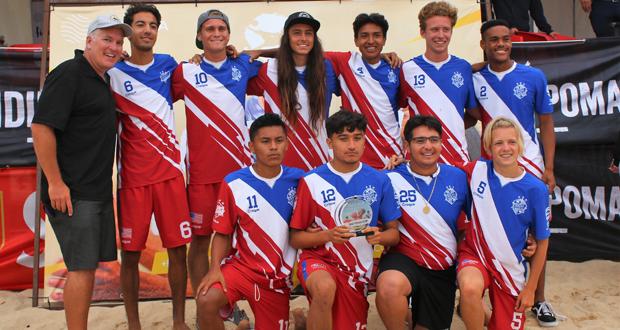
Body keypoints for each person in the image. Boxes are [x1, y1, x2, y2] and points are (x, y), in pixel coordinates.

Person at [31, 14, 131, 329]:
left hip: (96, 190)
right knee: (81, 268)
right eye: (106, 39)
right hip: (74, 192)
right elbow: (41, 127)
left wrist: (117, 56)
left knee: (87, 267)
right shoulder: (70, 74)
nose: (114, 47)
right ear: (88, 41)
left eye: (119, 42)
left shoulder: (101, 75)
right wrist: (56, 183)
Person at [108, 4, 190, 329]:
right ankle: (133, 325)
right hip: (133, 180)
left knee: (177, 252)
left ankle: (179, 321)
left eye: (152, 25)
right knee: (129, 256)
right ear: (128, 31)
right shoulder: (112, 72)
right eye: (140, 24)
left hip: (170, 175)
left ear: (157, 31)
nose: (146, 30)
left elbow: (203, 82)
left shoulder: (169, 66)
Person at [471, 18, 558, 327]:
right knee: (490, 232)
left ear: (512, 41)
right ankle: (476, 297)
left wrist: (548, 167)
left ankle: (540, 298)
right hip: (490, 168)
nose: (500, 44)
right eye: (493, 39)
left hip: (529, 164)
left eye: (505, 39)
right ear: (483, 44)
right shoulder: (475, 78)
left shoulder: (533, 76)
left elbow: (546, 124)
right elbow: (469, 116)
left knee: (536, 234)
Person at [171, 9, 263, 294]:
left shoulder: (243, 65)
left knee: (240, 238)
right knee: (200, 240)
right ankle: (204, 304)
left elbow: (286, 56)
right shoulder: (186, 71)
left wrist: (254, 50)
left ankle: (233, 298)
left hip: (237, 172)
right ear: (199, 36)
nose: (216, 33)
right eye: (209, 29)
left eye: (221, 28)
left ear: (228, 35)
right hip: (201, 174)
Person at [289, 110, 402, 330]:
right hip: (319, 260)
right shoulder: (312, 181)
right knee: (324, 289)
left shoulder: (380, 180)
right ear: (330, 142)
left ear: (364, 141)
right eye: (343, 138)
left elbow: (394, 234)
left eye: (357, 138)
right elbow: (295, 239)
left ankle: (302, 319)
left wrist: (380, 237)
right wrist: (327, 236)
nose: (351, 145)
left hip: (357, 269)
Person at [195, 113, 303, 330]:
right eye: (265, 141)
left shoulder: (300, 180)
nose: (273, 147)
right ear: (252, 146)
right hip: (242, 270)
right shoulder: (234, 183)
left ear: (287, 145)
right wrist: (215, 267)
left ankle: (298, 318)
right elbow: (223, 233)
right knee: (206, 300)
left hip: (277, 281)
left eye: (279, 141)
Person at [376, 115, 470, 330]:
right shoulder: (389, 178)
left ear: (441, 143)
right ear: (407, 145)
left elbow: (485, 214)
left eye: (434, 140)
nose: (428, 146)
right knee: (390, 287)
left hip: (442, 266)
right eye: (420, 141)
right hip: (404, 259)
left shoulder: (458, 176)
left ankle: (413, 315)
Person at [457, 117, 550, 330]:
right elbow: (435, 171)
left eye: (511, 142)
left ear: (520, 145)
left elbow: (543, 242)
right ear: (488, 147)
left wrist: (531, 289)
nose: (505, 148)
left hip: (510, 268)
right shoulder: (476, 171)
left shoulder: (535, 189)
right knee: (470, 288)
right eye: (498, 143)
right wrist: (401, 163)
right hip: (475, 255)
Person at [247, 11, 339, 171]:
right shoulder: (267, 71)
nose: (303, 38)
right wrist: (199, 59)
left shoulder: (327, 68)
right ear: (287, 38)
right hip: (280, 165)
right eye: (296, 33)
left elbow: (364, 57)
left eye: (308, 33)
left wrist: (383, 55)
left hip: (319, 162)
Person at [400, 1, 478, 166]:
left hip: (457, 158)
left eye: (446, 29)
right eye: (434, 29)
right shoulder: (407, 69)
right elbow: (393, 114)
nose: (441, 35)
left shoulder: (463, 68)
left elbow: (473, 114)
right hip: (419, 160)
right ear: (422, 32)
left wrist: (450, 128)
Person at [323, 13, 404, 169]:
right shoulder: (344, 62)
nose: (371, 41)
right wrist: (262, 52)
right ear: (356, 40)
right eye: (364, 36)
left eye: (377, 36)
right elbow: (304, 50)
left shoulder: (398, 68)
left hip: (393, 155)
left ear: (384, 39)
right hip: (356, 154)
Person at [491, 0, 558, 36]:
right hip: (502, 35)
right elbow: (485, 9)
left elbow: (537, 14)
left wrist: (549, 30)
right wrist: (504, 28)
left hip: (523, 34)